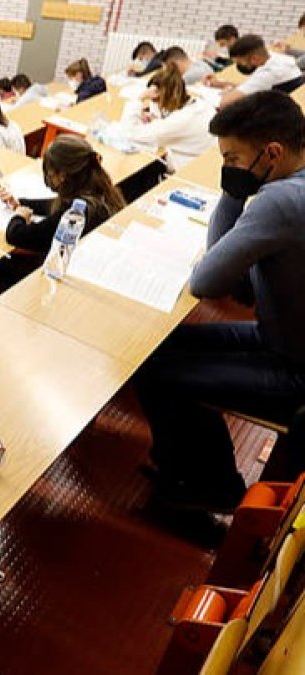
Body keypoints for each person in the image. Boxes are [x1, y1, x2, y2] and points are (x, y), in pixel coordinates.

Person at [135, 91, 305, 511]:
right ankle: (191, 470)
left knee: (157, 371)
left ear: (272, 153)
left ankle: (205, 491)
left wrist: (232, 195)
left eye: (231, 159)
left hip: (293, 367)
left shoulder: (280, 200)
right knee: (160, 349)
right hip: (279, 335)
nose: (227, 168)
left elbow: (207, 280)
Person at [0, 136, 125, 252]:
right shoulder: (97, 188)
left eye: (51, 174)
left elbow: (18, 235)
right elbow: (53, 205)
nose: (49, 178)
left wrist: (19, 217)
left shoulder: (75, 213)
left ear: (62, 176)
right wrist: (20, 202)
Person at [125, 64, 215, 172]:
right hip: (206, 163)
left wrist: (138, 98)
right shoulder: (202, 104)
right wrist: (158, 121)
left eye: (154, 101)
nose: (156, 105)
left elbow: (130, 133)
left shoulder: (177, 121)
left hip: (188, 171)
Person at [211, 35, 305, 107]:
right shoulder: (281, 59)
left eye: (240, 62)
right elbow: (253, 86)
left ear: (254, 59)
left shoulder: (266, 74)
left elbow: (224, 103)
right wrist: (221, 84)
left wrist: (228, 93)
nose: (240, 66)